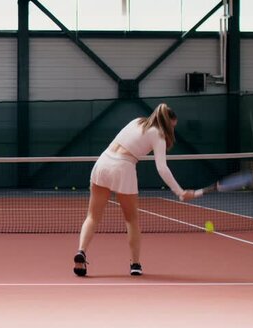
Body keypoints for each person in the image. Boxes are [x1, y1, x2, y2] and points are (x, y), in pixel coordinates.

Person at [73, 103, 195, 277]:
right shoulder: (158, 135)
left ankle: (81, 251)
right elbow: (162, 168)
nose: (172, 131)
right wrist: (180, 192)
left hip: (103, 162)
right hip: (123, 167)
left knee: (92, 216)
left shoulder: (136, 121)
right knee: (131, 220)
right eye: (172, 127)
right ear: (167, 124)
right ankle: (135, 264)